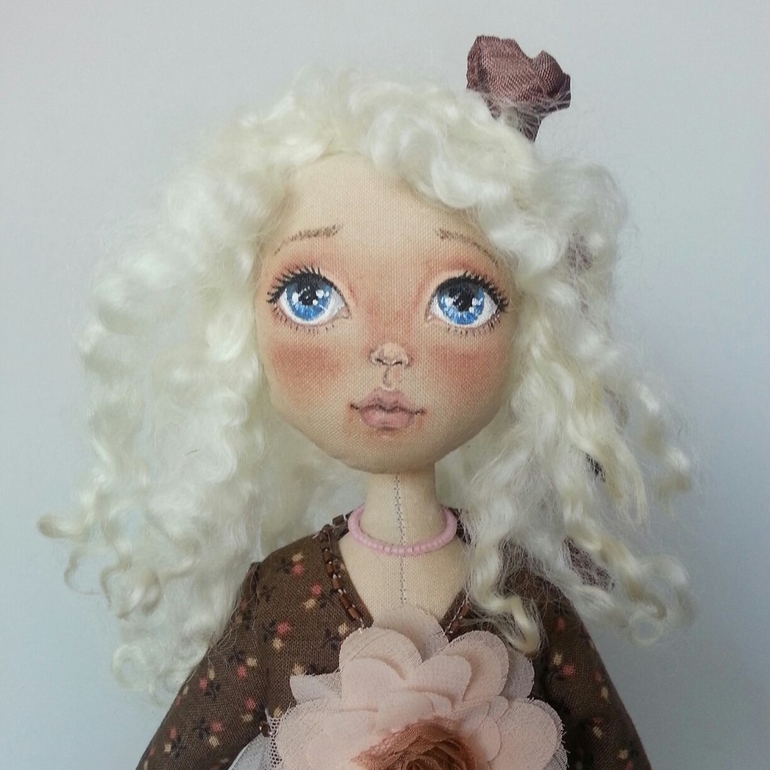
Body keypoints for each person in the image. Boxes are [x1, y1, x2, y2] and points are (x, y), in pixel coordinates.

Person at [42, 36, 692, 770]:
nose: (389, 352)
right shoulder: (281, 599)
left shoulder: (519, 597)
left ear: (535, 336)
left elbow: (616, 753)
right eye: (311, 297)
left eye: (462, 300)